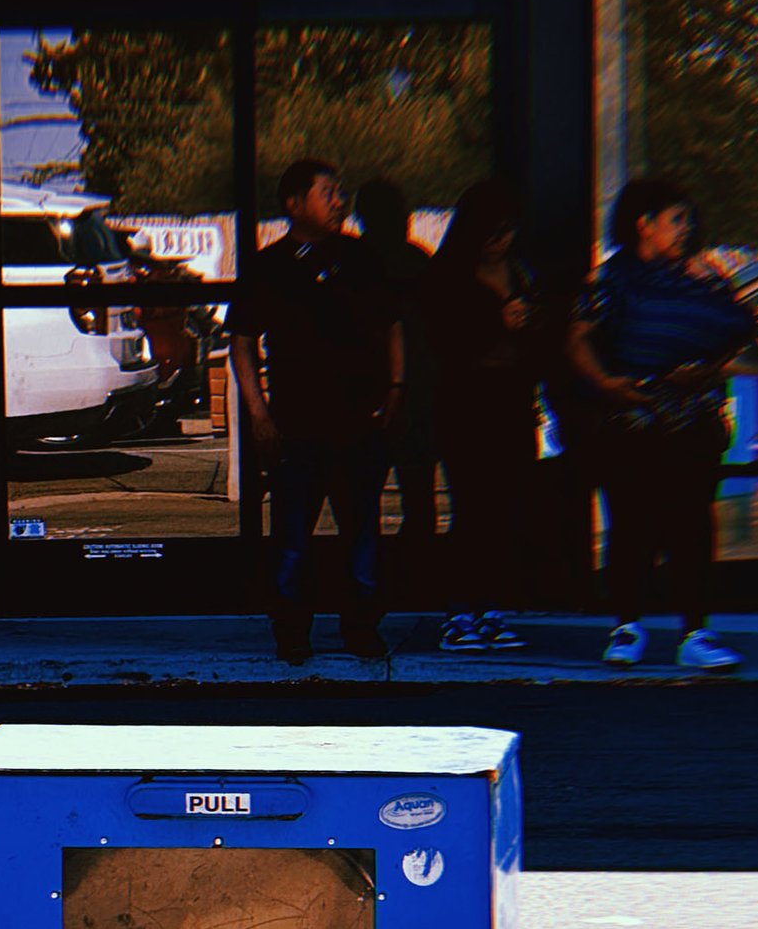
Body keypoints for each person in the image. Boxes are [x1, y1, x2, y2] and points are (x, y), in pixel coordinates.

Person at [565, 177, 755, 672]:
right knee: (631, 525)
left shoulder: (702, 278)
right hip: (631, 421)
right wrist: (607, 384)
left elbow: (734, 329)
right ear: (643, 225)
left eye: (688, 219)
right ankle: (627, 626)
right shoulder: (613, 280)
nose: (685, 228)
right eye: (676, 219)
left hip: (692, 421)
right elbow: (577, 338)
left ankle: (696, 631)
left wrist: (709, 371)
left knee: (693, 525)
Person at [227, 159, 404, 663]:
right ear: (294, 202)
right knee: (291, 535)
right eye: (328, 192)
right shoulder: (268, 267)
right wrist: (259, 414)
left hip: (358, 420)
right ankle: (292, 631)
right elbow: (241, 344)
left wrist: (396, 388)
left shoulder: (361, 258)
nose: (338, 201)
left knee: (362, 530)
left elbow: (392, 325)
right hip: (295, 424)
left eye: (340, 192)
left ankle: (363, 627)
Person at [422, 179, 542, 652]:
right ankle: (458, 611)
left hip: (511, 401)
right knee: (471, 508)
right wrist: (498, 322)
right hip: (466, 405)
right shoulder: (447, 275)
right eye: (494, 233)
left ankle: (492, 606)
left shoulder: (519, 271)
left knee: (506, 508)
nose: (502, 241)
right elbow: (442, 343)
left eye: (509, 231)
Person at [355, 178, 437, 581]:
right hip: (417, 393)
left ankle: (370, 575)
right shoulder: (418, 262)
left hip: (366, 392)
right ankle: (416, 569)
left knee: (362, 494)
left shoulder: (354, 263)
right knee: (418, 493)